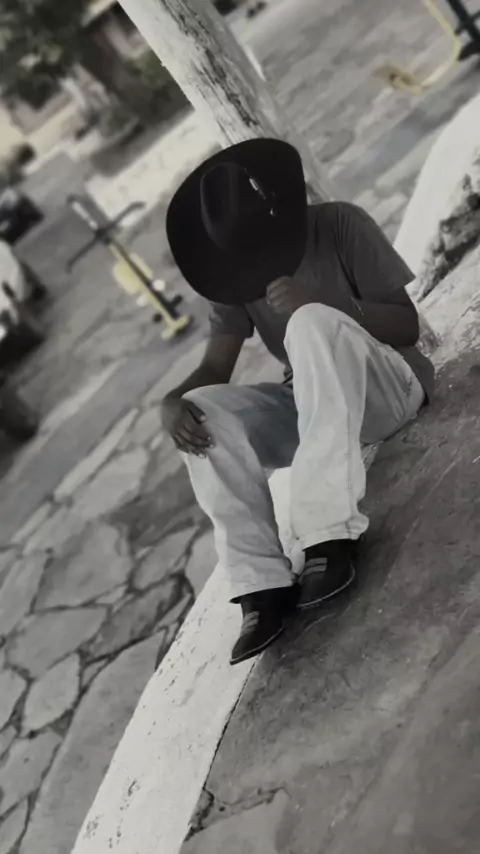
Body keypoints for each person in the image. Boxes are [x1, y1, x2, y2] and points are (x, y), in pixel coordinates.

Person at [162, 139, 434, 665]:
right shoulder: (234, 271)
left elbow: (407, 325)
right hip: (315, 406)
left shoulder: (340, 224)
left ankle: (328, 536)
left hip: (389, 390)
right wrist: (172, 402)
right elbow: (216, 367)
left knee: (309, 322)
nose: (250, 260)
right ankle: (262, 585)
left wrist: (324, 304)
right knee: (201, 408)